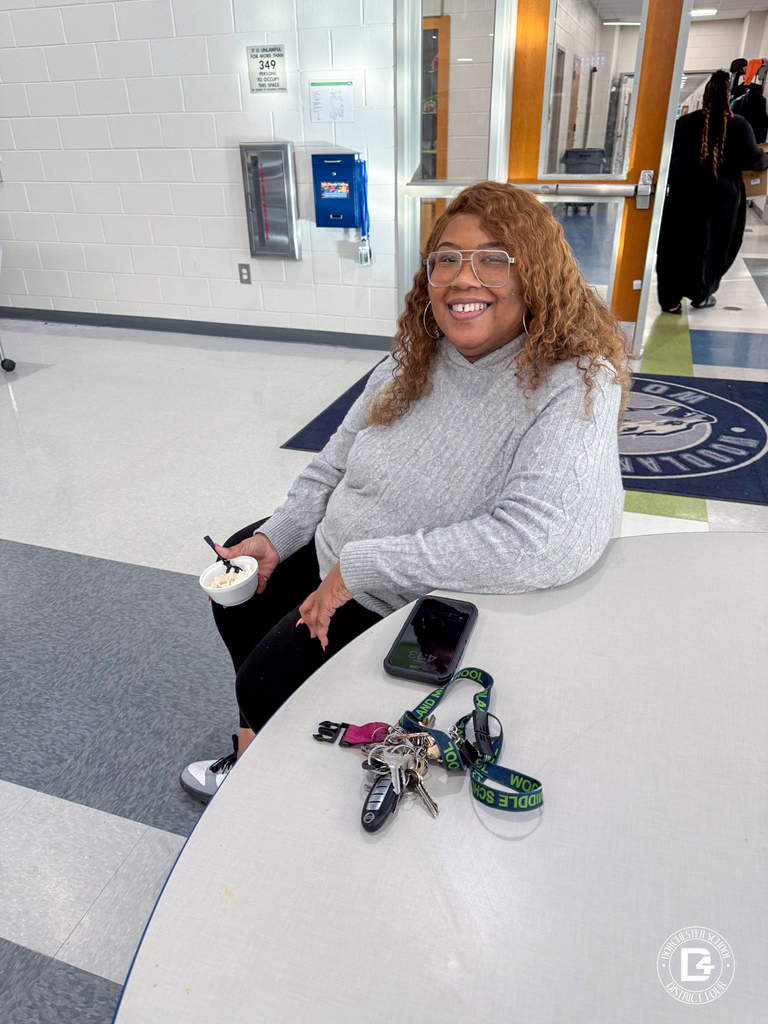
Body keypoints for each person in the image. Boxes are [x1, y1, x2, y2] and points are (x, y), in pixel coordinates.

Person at [180, 180, 631, 803]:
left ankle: (264, 759)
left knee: (265, 677)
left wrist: (358, 567)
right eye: (447, 258)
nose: (463, 278)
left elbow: (544, 540)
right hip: (341, 554)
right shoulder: (412, 357)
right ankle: (257, 751)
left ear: (537, 274)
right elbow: (332, 465)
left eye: (493, 258)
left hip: (404, 590)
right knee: (240, 574)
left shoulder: (575, 380)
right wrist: (277, 537)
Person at [656, 69, 768, 314]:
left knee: (675, 245)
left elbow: (669, 158)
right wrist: (764, 159)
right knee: (714, 246)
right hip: (723, 199)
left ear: (706, 95)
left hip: (683, 196)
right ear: (729, 97)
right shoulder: (738, 125)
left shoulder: (684, 123)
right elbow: (753, 160)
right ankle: (701, 295)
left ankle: (670, 301)